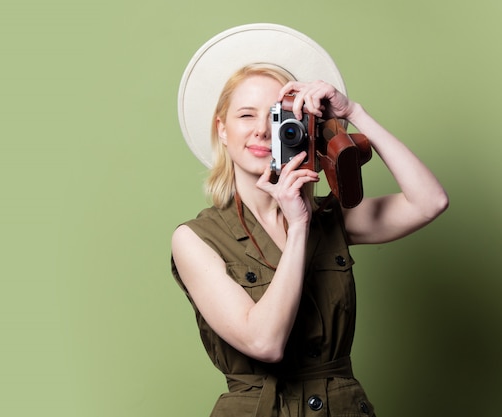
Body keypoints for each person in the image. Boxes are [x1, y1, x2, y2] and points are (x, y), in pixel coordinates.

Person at [171, 24, 448, 417]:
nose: (263, 130)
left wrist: (354, 113)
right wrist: (297, 226)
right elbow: (265, 342)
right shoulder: (195, 239)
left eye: (277, 116)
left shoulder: (331, 218)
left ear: (302, 128)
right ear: (222, 128)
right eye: (246, 115)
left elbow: (430, 201)